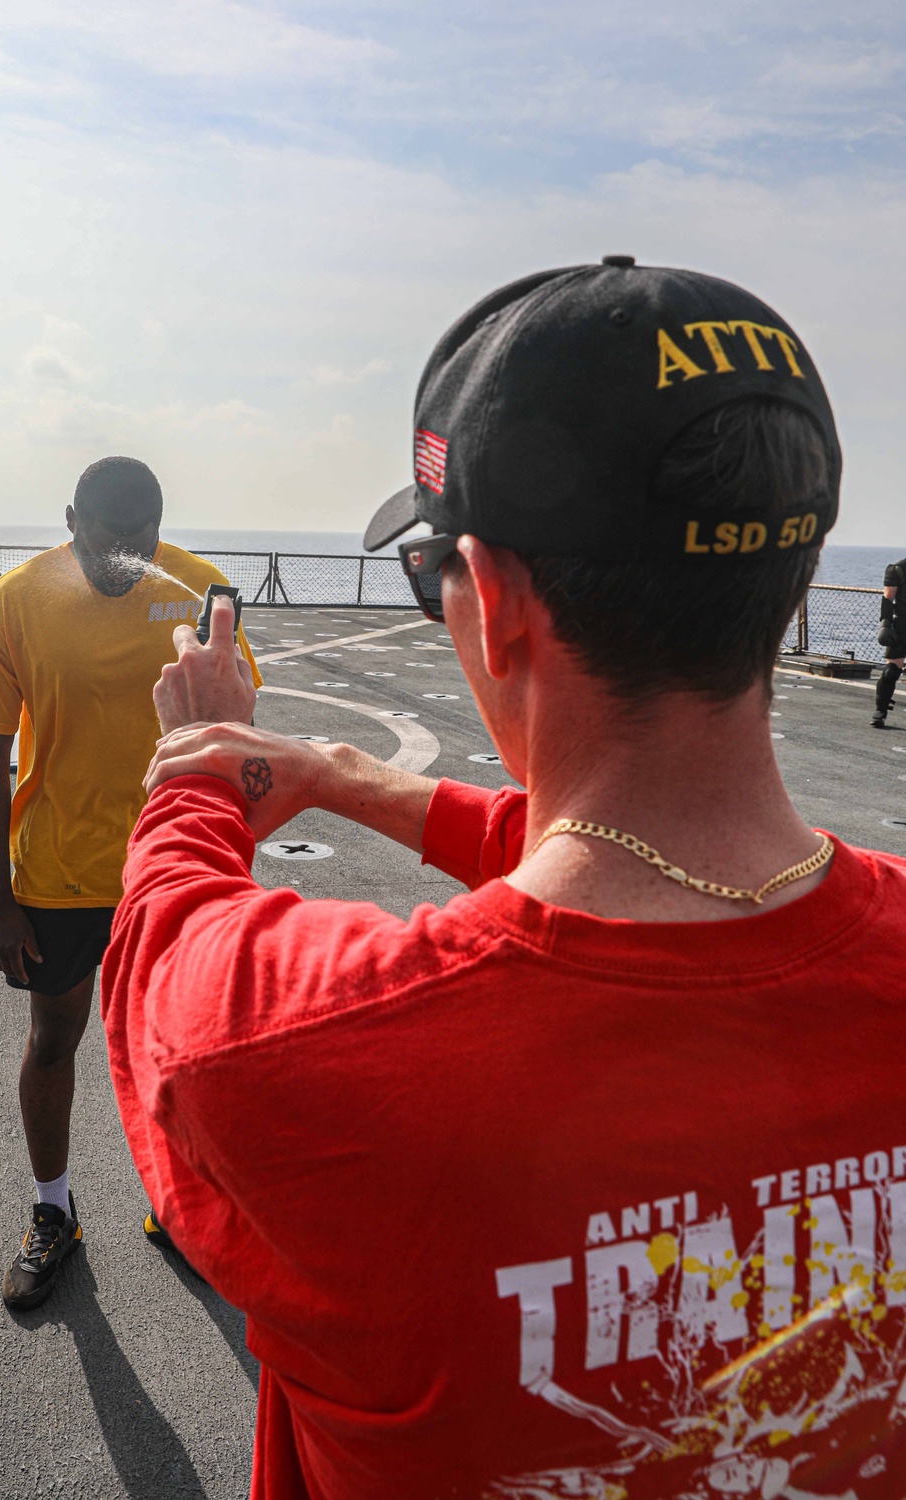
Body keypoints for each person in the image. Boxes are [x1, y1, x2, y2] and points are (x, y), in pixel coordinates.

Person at [102, 263, 906, 1498]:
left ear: (501, 607)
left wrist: (199, 763)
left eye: (438, 579)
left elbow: (166, 936)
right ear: (790, 583)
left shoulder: (291, 1049)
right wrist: (355, 777)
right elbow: (632, 852)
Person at [0, 455, 262, 1311]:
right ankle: (55, 1213)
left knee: (184, 1050)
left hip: (175, 868)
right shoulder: (17, 601)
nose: (125, 559)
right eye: (105, 541)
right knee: (55, 1042)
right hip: (58, 872)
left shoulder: (202, 595)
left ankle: (175, 1206)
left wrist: (228, 861)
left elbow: (237, 732)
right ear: (71, 519)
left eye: (142, 541)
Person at [871, 557, 906, 726]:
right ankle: (881, 711)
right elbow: (888, 598)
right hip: (902, 626)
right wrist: (885, 624)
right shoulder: (897, 569)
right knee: (891, 672)